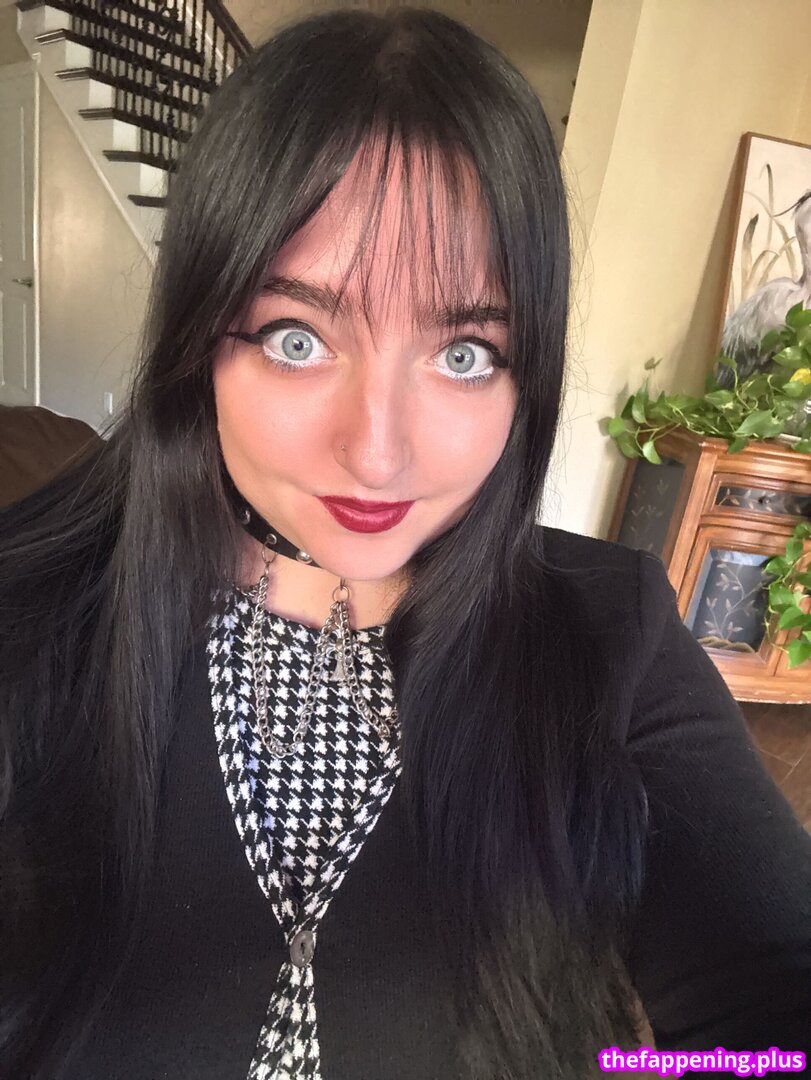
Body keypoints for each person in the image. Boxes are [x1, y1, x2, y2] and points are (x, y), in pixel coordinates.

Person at [1, 7, 809, 1080]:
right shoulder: (32, 602)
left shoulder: (607, 629)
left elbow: (772, 1006)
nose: (377, 454)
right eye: (296, 338)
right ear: (199, 341)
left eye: (465, 353)